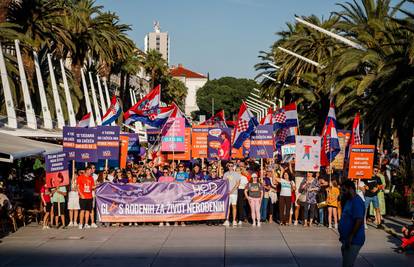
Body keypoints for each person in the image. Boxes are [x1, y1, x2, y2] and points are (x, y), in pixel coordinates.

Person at [338, 180, 365, 267]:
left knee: (347, 265)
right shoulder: (348, 200)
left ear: (351, 189)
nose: (342, 192)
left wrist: (351, 236)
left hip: (354, 240)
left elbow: (359, 220)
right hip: (347, 239)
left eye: (344, 190)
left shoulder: (357, 201)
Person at [223, 162, 241, 227]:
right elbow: (224, 183)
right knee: (227, 207)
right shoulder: (225, 174)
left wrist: (232, 191)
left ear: (233, 166)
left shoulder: (236, 174)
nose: (230, 167)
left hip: (234, 193)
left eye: (231, 166)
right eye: (229, 166)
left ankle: (234, 220)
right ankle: (227, 220)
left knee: (234, 206)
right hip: (227, 193)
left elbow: (237, 184)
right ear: (228, 167)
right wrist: (227, 191)